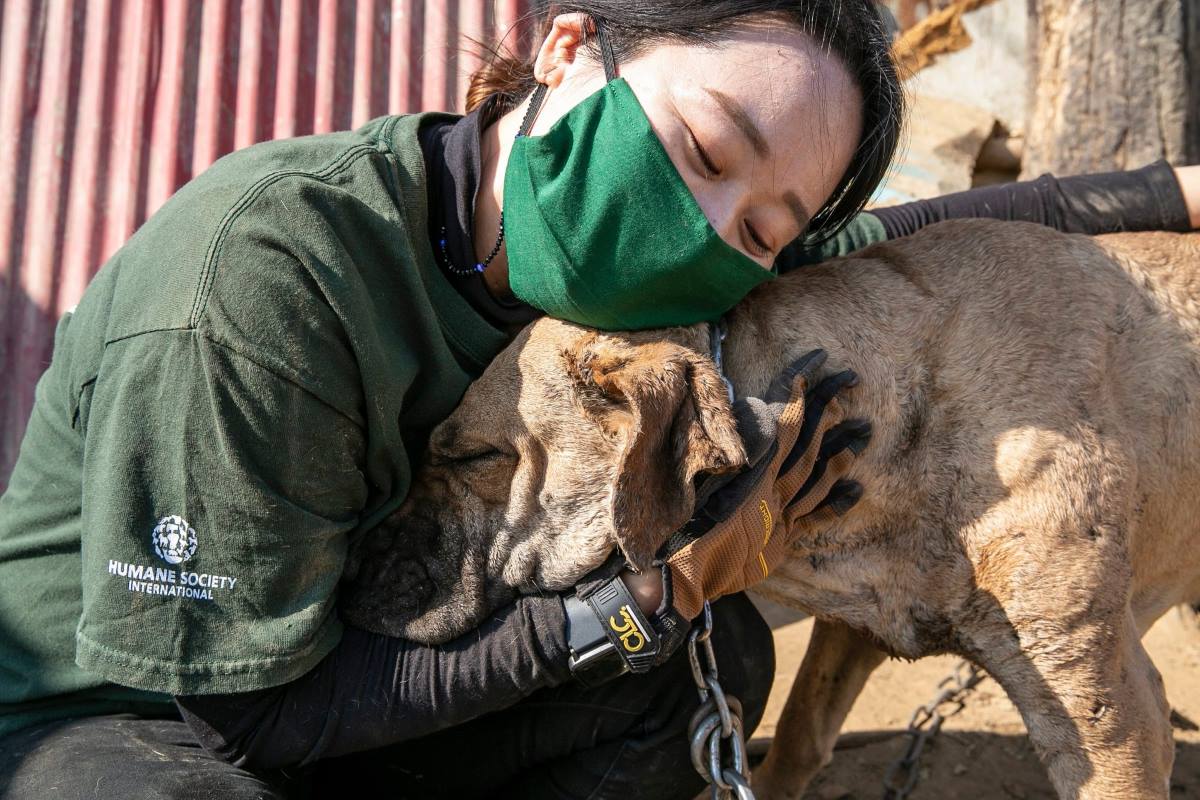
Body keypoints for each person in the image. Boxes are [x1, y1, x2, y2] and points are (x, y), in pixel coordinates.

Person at [1, 2, 1197, 799]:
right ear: (572, 51)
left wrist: (1167, 192)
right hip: (137, 711)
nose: (713, 231)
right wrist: (644, 595)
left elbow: (936, 232)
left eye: (766, 228)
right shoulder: (268, 277)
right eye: (703, 150)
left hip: (367, 653)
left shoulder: (627, 286)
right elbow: (246, 722)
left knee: (707, 655)